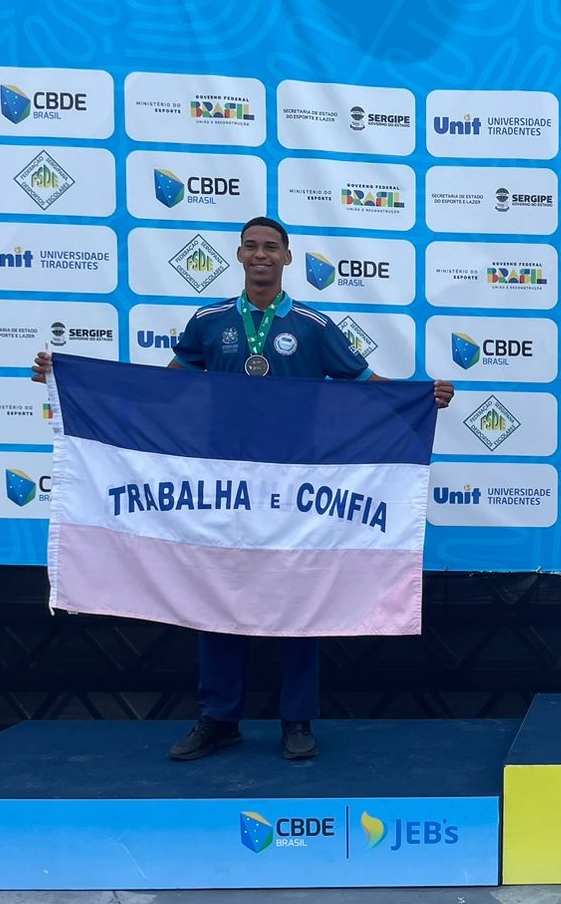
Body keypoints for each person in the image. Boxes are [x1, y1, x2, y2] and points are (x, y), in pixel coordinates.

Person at [33, 216, 454, 762]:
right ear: (238, 255)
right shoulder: (209, 322)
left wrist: (421, 396)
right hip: (225, 482)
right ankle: (219, 718)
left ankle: (297, 719)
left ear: (287, 257)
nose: (261, 255)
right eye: (251, 246)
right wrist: (69, 381)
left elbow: (366, 387)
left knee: (301, 596)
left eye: (271, 247)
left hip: (296, 485)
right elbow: (163, 387)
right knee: (219, 591)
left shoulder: (313, 326)